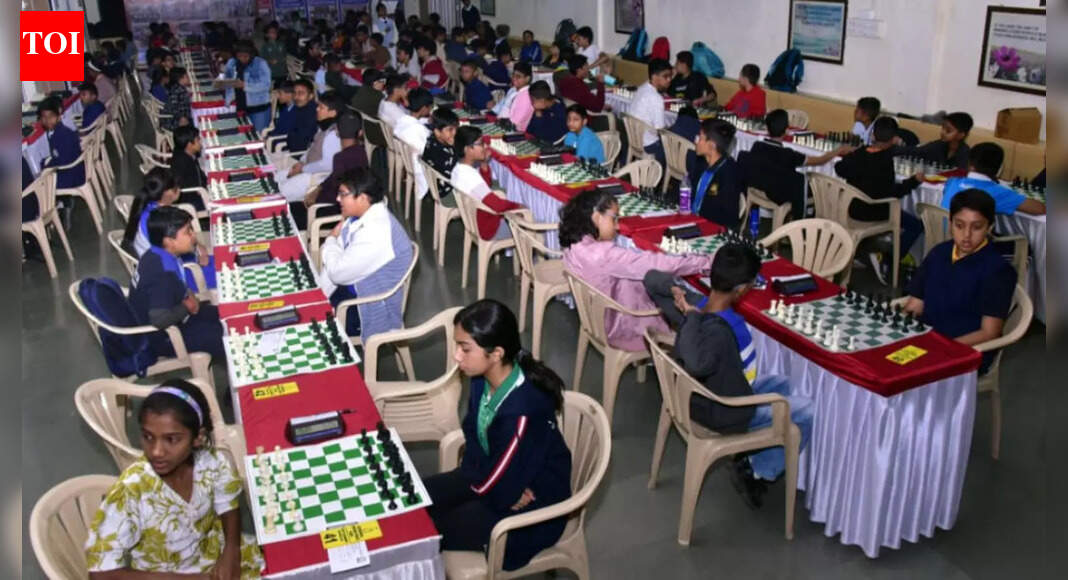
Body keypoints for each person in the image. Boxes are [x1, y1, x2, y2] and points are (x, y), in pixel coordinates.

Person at [642, 244, 814, 508]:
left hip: (700, 393)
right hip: (725, 409)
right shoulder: (726, 329)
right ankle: (757, 471)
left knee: (783, 383)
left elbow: (650, 278)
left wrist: (676, 292)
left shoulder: (695, 303)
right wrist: (692, 318)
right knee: (807, 410)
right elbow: (700, 363)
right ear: (742, 289)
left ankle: (751, 456)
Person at [424, 299, 571, 571]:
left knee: (425, 530)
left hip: (533, 512)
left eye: (465, 348)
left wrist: (497, 487)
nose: (457, 356)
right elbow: (473, 435)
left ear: (496, 353)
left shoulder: (521, 413)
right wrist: (486, 480)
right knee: (414, 500)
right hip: (493, 480)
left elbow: (500, 486)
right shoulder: (481, 380)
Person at [84, 379, 264, 578]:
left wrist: (231, 551)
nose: (156, 451)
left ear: (198, 437)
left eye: (171, 439)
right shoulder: (131, 492)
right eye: (148, 437)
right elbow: (99, 573)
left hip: (210, 552)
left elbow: (228, 504)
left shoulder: (211, 463)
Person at [560, 189, 709, 351]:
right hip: (624, 328)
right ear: (596, 217)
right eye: (614, 219)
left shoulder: (574, 244)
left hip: (596, 319)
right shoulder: (604, 255)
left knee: (662, 285)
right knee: (679, 296)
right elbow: (657, 263)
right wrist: (704, 262)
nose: (618, 226)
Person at [903, 189, 1016, 374]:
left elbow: (989, 333)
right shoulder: (939, 252)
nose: (966, 235)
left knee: (901, 378)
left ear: (989, 228)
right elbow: (915, 304)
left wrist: (941, 348)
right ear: (950, 224)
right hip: (927, 339)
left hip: (965, 349)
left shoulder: (998, 270)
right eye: (959, 225)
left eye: (977, 227)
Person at [319, 168, 414, 340]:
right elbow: (336, 264)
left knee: (314, 329)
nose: (338, 199)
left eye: (343, 194)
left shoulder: (376, 231)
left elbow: (336, 273)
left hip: (367, 306)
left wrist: (330, 240)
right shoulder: (359, 217)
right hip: (351, 289)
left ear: (363, 198)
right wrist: (318, 296)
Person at [833, 116, 924, 284]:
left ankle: (863, 252)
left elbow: (839, 168)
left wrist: (850, 156)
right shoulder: (885, 161)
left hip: (852, 207)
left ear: (872, 135)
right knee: (917, 226)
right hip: (873, 212)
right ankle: (888, 259)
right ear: (894, 139)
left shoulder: (859, 153)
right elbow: (892, 193)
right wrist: (914, 181)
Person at [127, 206, 225, 361]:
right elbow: (159, 320)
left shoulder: (156, 253)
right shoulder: (163, 274)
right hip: (165, 337)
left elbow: (177, 286)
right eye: (187, 232)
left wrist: (189, 297)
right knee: (225, 337)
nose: (193, 235)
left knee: (227, 315)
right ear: (169, 241)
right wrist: (187, 306)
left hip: (177, 314)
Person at [744, 109, 852, 219]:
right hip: (778, 192)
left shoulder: (757, 146)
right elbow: (820, 160)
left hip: (759, 186)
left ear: (767, 129)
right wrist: (838, 151)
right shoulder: (788, 154)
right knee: (809, 185)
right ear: (787, 130)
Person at [122, 167, 215, 290]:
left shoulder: (150, 208)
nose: (179, 190)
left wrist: (199, 248)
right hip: (172, 276)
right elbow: (174, 252)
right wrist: (198, 250)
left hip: (166, 264)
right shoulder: (159, 220)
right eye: (177, 188)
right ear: (168, 193)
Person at [451, 126, 525, 240]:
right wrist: (518, 206)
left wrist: (484, 163)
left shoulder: (458, 169)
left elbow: (484, 187)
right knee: (531, 227)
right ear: (467, 149)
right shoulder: (470, 176)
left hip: (475, 222)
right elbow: (497, 205)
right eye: (480, 144)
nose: (485, 146)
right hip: (489, 228)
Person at [941, 142, 1046, 215]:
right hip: (971, 240)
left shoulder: (953, 181)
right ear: (999, 169)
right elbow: (1040, 209)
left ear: (969, 164)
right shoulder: (996, 192)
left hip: (942, 236)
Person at [278, 91, 344, 202]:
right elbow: (311, 148)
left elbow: (327, 165)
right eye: (318, 106)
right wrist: (301, 162)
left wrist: (303, 169)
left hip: (315, 176)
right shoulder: (323, 127)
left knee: (279, 193)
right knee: (275, 178)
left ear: (332, 113)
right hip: (306, 168)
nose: (317, 109)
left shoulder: (333, 135)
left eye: (321, 107)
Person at [691, 118, 745, 229]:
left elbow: (725, 217)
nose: (696, 141)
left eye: (700, 138)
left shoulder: (729, 174)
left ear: (712, 146)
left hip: (714, 227)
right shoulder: (701, 163)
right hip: (694, 220)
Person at [314, 113, 370, 210]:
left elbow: (335, 192)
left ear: (337, 132)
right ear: (360, 133)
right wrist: (320, 187)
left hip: (335, 208)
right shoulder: (363, 153)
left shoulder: (340, 158)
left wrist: (316, 199)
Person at [894, 112, 973, 170]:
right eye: (943, 128)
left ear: (961, 135)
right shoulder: (938, 145)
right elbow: (916, 151)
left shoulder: (965, 154)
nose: (942, 132)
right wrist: (892, 149)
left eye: (948, 131)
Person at [631, 59, 673, 166]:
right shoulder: (656, 98)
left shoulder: (642, 88)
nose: (669, 80)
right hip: (648, 144)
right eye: (665, 76)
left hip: (634, 139)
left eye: (670, 76)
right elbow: (660, 130)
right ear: (654, 77)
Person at [393, 88, 433, 200]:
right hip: (422, 169)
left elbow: (416, 122)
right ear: (424, 108)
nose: (430, 109)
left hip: (408, 162)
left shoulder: (401, 122)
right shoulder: (419, 130)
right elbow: (428, 150)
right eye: (430, 107)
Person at [223, 41, 273, 131]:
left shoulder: (260, 63)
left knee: (258, 134)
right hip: (240, 105)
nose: (242, 59)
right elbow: (227, 81)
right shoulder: (232, 62)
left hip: (258, 107)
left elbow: (266, 85)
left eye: (245, 56)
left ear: (251, 54)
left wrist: (245, 85)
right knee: (243, 132)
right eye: (239, 56)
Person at [38, 97, 85, 191]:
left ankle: (61, 199)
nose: (47, 120)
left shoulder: (61, 136)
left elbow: (63, 162)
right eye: (44, 117)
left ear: (59, 117)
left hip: (73, 176)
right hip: (77, 170)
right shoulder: (61, 131)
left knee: (40, 185)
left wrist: (46, 165)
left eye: (51, 116)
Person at [422, 107, 460, 206]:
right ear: (437, 132)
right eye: (450, 130)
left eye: (456, 128)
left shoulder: (432, 140)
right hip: (449, 193)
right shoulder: (444, 153)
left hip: (436, 188)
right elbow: (457, 173)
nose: (455, 133)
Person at [168, 125, 209, 209]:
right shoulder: (181, 162)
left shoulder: (185, 152)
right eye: (198, 140)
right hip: (193, 200)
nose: (201, 142)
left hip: (199, 190)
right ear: (189, 145)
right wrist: (201, 189)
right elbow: (178, 185)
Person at [492, 61, 534, 131]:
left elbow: (514, 123)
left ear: (527, 78)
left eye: (518, 76)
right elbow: (499, 108)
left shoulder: (526, 96)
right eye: (513, 75)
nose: (514, 78)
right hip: (500, 123)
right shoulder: (513, 89)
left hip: (513, 130)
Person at [281, 79, 319, 154]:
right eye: (294, 93)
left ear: (311, 96)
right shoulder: (299, 108)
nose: (296, 97)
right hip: (292, 150)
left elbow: (302, 142)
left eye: (301, 93)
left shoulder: (312, 113)